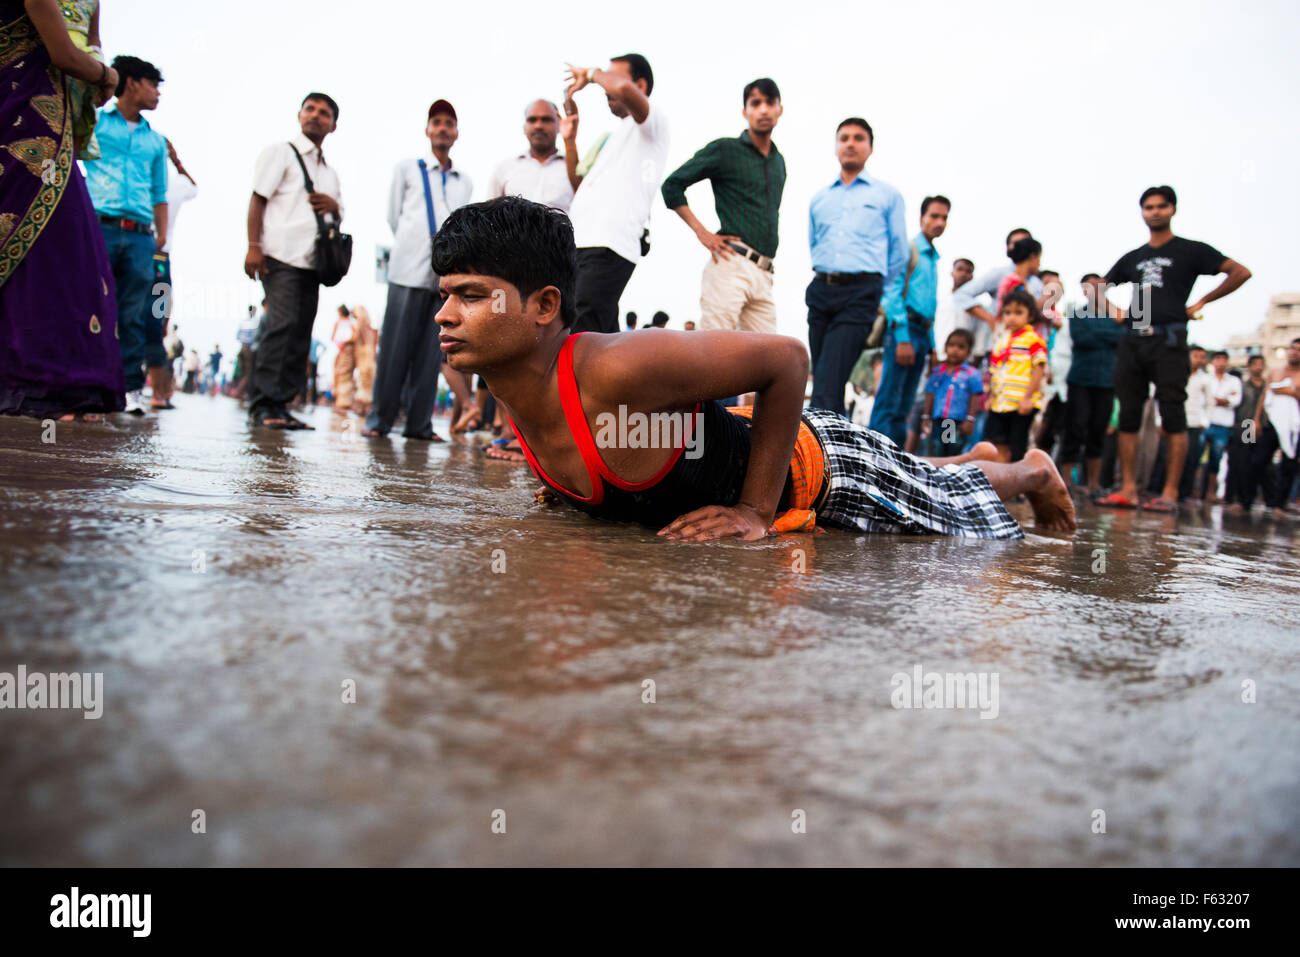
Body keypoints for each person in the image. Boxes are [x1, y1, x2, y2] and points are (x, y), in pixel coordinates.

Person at [429, 196, 1075, 544]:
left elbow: (787, 359)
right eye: (444, 295)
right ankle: (974, 457)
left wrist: (755, 511)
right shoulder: (515, 386)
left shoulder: (617, 368)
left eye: (471, 294)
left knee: (947, 508)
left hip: (821, 467)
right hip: (744, 435)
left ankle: (1026, 470)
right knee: (917, 470)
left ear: (544, 305)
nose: (445, 314)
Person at [0, 0, 120, 421]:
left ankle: (45, 384)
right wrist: (109, 76)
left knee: (57, 249)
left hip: (49, 121)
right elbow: (62, 53)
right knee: (60, 249)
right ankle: (47, 385)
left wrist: (97, 69)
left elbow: (90, 41)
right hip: (24, 118)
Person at [1098, 186, 1251, 511]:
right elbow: (1095, 286)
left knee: (1173, 413)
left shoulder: (1190, 250)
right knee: (1128, 414)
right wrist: (1115, 312)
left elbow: (1240, 272)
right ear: (1142, 212)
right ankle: (1128, 489)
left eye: (1161, 206)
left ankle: (1168, 494)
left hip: (1169, 339)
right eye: (1148, 207)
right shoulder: (1133, 257)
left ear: (1173, 209)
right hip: (1133, 339)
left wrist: (1201, 302)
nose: (1154, 211)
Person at [364, 99, 472, 440]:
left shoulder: (464, 181)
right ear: (428, 130)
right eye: (436, 122)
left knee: (432, 353)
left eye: (449, 123)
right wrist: (414, 247)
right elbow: (393, 216)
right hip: (407, 271)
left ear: (456, 133)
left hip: (445, 279)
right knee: (395, 349)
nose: (442, 128)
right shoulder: (408, 169)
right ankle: (379, 420)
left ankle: (419, 425)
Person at [243, 92, 344, 430]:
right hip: (281, 257)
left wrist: (334, 206)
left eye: (325, 113)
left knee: (300, 335)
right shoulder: (281, 153)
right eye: (311, 109)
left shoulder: (330, 173)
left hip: (312, 264)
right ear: (300, 114)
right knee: (280, 328)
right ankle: (262, 404)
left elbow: (336, 219)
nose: (316, 116)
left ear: (333, 124)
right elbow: (257, 200)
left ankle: (281, 404)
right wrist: (253, 246)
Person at [661, 78, 786, 335]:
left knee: (766, 357)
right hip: (731, 263)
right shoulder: (725, 150)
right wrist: (703, 233)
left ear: (779, 109)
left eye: (769, 102)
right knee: (717, 352)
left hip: (765, 273)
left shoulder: (778, 162)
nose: (763, 109)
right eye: (755, 103)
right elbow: (672, 185)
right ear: (745, 112)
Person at [83, 54, 167, 416]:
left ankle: (131, 389)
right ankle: (83, 385)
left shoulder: (156, 142)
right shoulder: (96, 124)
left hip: (140, 237)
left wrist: (159, 239)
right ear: (131, 82)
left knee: (133, 315)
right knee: (89, 308)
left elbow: (159, 192)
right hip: (97, 227)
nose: (157, 94)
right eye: (153, 85)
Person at [807, 118, 908, 417]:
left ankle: (814, 450)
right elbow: (815, 243)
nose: (850, 143)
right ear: (837, 146)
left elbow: (899, 252)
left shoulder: (887, 195)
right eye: (844, 138)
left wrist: (876, 289)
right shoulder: (820, 199)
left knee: (828, 378)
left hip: (861, 293)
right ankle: (834, 451)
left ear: (870, 147)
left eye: (858, 138)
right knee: (827, 380)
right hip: (821, 290)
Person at [562, 54, 669, 334]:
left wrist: (591, 74)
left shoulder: (652, 123)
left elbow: (621, 89)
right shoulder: (612, 138)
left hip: (609, 244)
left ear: (641, 85)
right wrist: (570, 141)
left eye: (615, 77)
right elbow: (578, 186)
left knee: (582, 330)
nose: (607, 88)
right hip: (580, 243)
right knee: (596, 332)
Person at [869, 194, 949, 442]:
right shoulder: (909, 249)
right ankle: (874, 458)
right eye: (934, 216)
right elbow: (892, 292)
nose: (940, 222)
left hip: (923, 334)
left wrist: (933, 347)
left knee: (904, 406)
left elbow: (929, 307)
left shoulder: (934, 258)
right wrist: (902, 336)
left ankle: (896, 465)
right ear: (921, 218)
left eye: (944, 218)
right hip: (904, 331)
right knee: (889, 402)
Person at [145, 139, 197, 410]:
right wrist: (177, 161)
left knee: (122, 318)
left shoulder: (141, 177)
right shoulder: (175, 184)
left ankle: (126, 389)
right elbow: (194, 188)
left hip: (138, 253)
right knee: (156, 323)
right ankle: (158, 394)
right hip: (160, 261)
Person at [1059, 274, 1121, 495]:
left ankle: (1093, 483)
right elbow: (1082, 339)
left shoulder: (1117, 315)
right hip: (1080, 380)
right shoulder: (1077, 313)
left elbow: (1121, 337)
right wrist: (1108, 335)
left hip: (1106, 381)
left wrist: (1099, 333)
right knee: (1074, 428)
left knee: (1098, 431)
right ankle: (1067, 480)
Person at [953, 228, 1045, 360]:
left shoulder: (1035, 283)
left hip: (1026, 345)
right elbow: (961, 295)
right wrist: (990, 319)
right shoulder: (1006, 279)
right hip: (1005, 344)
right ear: (1033, 257)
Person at [986, 288, 1048, 463]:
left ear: (1030, 316)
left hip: (1021, 403)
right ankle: (1001, 484)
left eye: (1018, 312)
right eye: (1007, 312)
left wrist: (1027, 398)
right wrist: (991, 396)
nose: (1012, 317)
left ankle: (1017, 487)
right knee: (998, 444)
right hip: (1000, 404)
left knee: (1019, 447)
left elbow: (1039, 369)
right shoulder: (1000, 341)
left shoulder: (1033, 339)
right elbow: (994, 371)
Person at [488, 100, 573, 212]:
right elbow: (490, 216)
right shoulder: (505, 168)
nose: (538, 126)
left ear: (559, 125)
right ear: (524, 127)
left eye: (546, 120)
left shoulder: (574, 169)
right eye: (532, 120)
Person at [1250, 339, 1300, 518]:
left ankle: (1280, 503)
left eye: (1299, 350)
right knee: (1257, 460)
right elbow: (1264, 395)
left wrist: (1292, 393)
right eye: (1293, 348)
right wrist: (1256, 420)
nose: (1295, 352)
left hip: (1294, 426)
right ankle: (1266, 498)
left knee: (1289, 464)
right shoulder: (1275, 371)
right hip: (1270, 423)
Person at [921, 329, 983, 458]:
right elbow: (930, 394)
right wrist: (926, 417)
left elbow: (974, 396)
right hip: (938, 418)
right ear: (945, 347)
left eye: (961, 347)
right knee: (936, 448)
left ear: (968, 352)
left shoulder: (970, 373)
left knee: (949, 451)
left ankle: (947, 475)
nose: (955, 350)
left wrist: (970, 419)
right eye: (952, 345)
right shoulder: (938, 372)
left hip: (952, 421)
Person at [1225, 355, 1267, 510]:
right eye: (1255, 364)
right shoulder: (1242, 386)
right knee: (1242, 462)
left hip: (1263, 428)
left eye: (1261, 364)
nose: (1258, 367)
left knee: (1257, 464)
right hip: (1245, 426)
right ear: (1248, 367)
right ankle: (1236, 498)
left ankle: (1250, 498)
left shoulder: (1266, 386)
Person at [1200, 350, 1241, 502]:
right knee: (1196, 455)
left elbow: (1235, 401)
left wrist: (1215, 400)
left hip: (1230, 425)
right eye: (1218, 359)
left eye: (1224, 359)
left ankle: (1212, 492)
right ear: (1213, 361)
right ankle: (1194, 491)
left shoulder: (1234, 381)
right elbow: (1203, 400)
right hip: (1205, 422)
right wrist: (1224, 400)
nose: (1221, 362)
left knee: (1216, 459)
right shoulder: (1205, 378)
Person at [1175, 344, 1213, 503]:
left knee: (1191, 459)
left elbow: (1210, 403)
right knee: (1169, 457)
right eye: (1196, 356)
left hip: (1195, 424)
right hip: (1176, 422)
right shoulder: (1176, 372)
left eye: (1202, 357)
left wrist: (1205, 421)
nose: (1199, 360)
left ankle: (1184, 495)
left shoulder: (1205, 379)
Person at [353, 305, 377, 419]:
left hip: (364, 354)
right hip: (371, 354)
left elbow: (355, 339)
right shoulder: (372, 330)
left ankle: (362, 407)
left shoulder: (360, 327)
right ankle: (366, 407)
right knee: (368, 381)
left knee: (363, 381)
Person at [332, 305, 356, 412]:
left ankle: (344, 402)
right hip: (341, 350)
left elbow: (355, 336)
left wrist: (345, 342)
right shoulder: (340, 323)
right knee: (339, 374)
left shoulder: (350, 323)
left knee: (345, 374)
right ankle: (340, 401)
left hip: (348, 350)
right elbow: (333, 337)